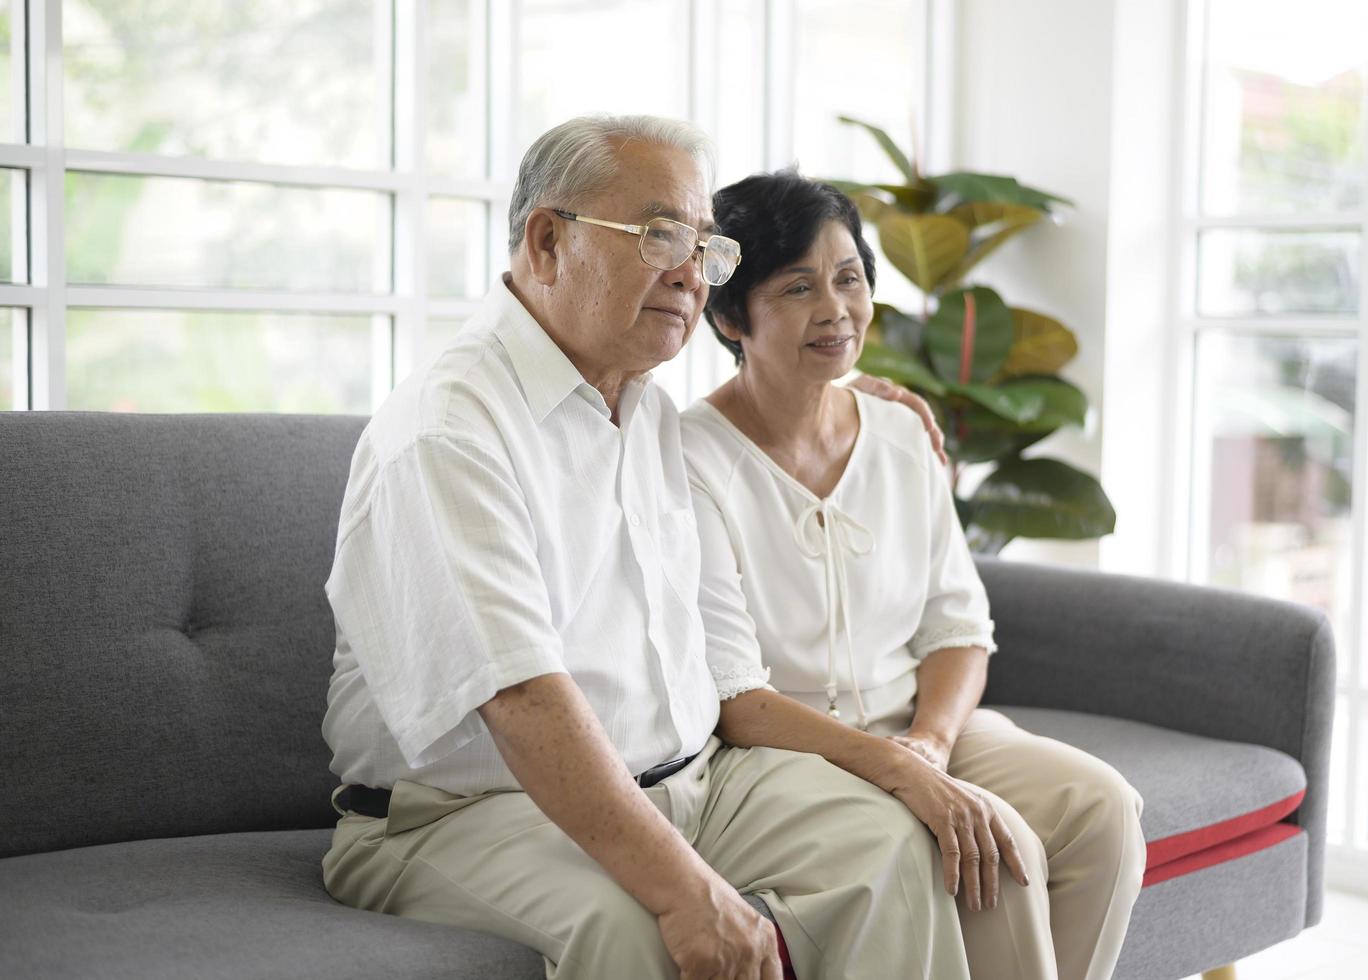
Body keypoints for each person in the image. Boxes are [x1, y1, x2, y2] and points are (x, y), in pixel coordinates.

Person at [318, 116, 973, 980]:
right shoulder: (450, 431)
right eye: (660, 235)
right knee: (635, 929)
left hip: (695, 785)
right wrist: (681, 891)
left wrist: (854, 393)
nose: (689, 272)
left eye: (703, 246)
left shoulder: (645, 408)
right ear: (548, 241)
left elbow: (767, 417)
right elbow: (520, 700)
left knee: (893, 841)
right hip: (469, 812)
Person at [681, 169, 1148, 980]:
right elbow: (735, 699)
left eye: (849, 277)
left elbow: (957, 625)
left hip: (921, 725)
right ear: (729, 314)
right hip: (785, 753)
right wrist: (901, 766)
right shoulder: (690, 458)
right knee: (985, 850)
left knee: (1101, 808)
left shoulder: (900, 430)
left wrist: (930, 741)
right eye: (796, 287)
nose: (835, 309)